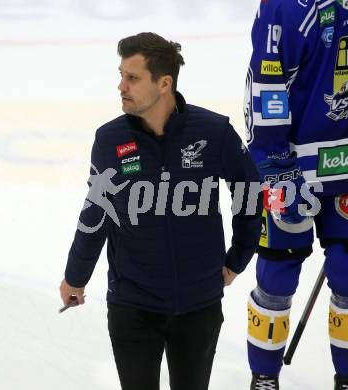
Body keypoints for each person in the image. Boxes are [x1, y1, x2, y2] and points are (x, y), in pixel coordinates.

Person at [60, 32, 262, 390]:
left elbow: (249, 192)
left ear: (164, 83)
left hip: (199, 303)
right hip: (132, 304)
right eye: (121, 74)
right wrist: (76, 276)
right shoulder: (110, 140)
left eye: (132, 78)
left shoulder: (213, 132)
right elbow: (96, 212)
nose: (121, 86)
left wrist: (238, 258)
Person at [244, 1, 348, 389]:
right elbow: (266, 85)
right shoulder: (288, 7)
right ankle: (264, 376)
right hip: (290, 165)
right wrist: (275, 164)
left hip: (345, 166)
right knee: (277, 271)